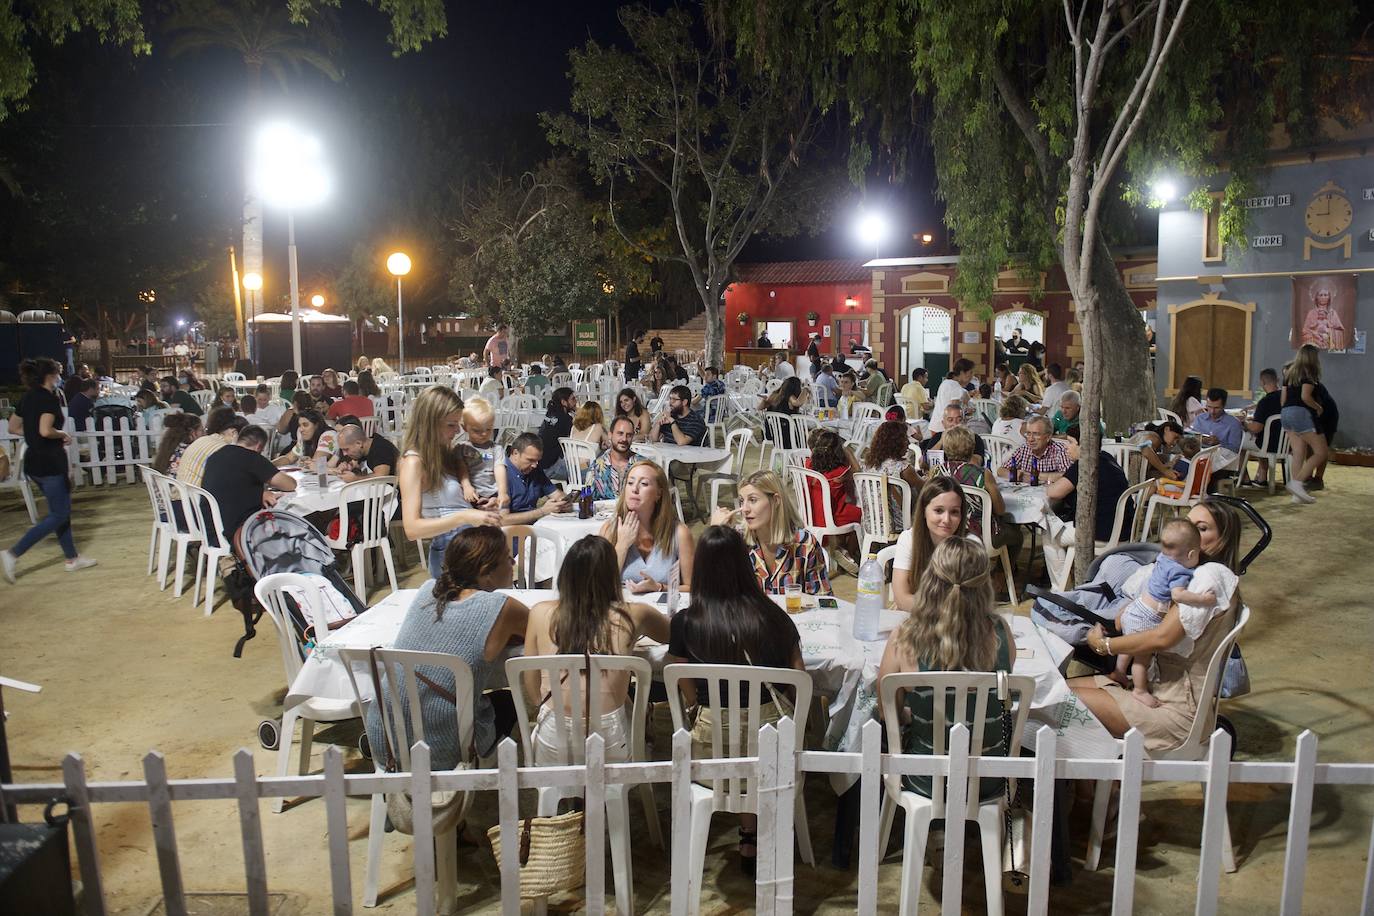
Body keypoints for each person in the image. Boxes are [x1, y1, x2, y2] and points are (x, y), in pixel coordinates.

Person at [666, 523, 802, 872]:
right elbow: (799, 681)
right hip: (769, 753)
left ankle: (744, 832)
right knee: (754, 730)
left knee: (729, 731)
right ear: (746, 565)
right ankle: (754, 831)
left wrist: (697, 703)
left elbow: (680, 677)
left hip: (711, 754)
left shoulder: (686, 622)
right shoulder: (774, 618)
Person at [1072, 499, 1243, 751]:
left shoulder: (1210, 578)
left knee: (1058, 701)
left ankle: (1091, 789)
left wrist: (1104, 645)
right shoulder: (1186, 573)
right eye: (1188, 524)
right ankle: (1093, 788)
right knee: (1054, 689)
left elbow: (1161, 638)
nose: (1191, 534)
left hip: (1174, 711)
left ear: (1224, 539)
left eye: (1202, 528)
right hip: (1152, 690)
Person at [365, 526, 530, 772]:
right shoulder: (501, 606)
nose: (513, 562)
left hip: (383, 739)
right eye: (508, 557)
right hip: (443, 745)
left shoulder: (427, 590)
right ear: (486, 573)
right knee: (509, 701)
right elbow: (536, 629)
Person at [877, 537, 1015, 800]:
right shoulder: (1000, 632)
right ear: (985, 584)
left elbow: (887, 711)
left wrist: (916, 714)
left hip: (926, 778)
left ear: (930, 580)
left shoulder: (906, 636)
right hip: (989, 778)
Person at [522, 536, 670, 763]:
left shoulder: (540, 613)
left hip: (552, 739)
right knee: (633, 707)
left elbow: (533, 694)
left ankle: (559, 794)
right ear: (612, 577)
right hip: (611, 741)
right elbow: (672, 634)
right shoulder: (633, 614)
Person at [1110, 518, 1223, 709]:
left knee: (1130, 647)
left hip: (1135, 609)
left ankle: (1119, 671)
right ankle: (1140, 690)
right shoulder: (1180, 572)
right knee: (1142, 658)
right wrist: (1204, 599)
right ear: (1191, 553)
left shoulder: (1163, 558)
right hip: (1147, 617)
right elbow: (1178, 595)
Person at [2, 358, 97, 580]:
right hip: (50, 463)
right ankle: (13, 553)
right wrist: (62, 434)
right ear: (51, 375)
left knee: (60, 512)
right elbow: (46, 430)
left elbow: (13, 427)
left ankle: (72, 558)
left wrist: (34, 434)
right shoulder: (48, 399)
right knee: (59, 513)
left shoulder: (27, 397)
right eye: (58, 374)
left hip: (34, 464)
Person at [398, 386, 502, 579]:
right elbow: (412, 529)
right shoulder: (413, 462)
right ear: (430, 423)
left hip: (468, 545)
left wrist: (480, 509)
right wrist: (464, 516)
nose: (457, 431)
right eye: (451, 425)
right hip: (450, 552)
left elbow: (452, 503)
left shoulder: (442, 453)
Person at [710, 470, 831, 595]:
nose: (744, 509)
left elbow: (823, 598)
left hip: (793, 614)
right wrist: (714, 534)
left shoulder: (804, 543)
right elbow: (713, 591)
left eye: (752, 500)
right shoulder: (737, 540)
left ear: (776, 500)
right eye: (742, 501)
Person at [1042, 435, 1133, 585]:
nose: (1067, 447)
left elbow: (1054, 492)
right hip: (1123, 529)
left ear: (1082, 445)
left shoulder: (1085, 463)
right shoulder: (1107, 458)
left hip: (1101, 533)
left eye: (1070, 443)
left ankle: (1060, 588)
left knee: (1047, 531)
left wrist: (1049, 482)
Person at [599, 461, 695, 593]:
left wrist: (659, 587)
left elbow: (692, 588)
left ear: (658, 494)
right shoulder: (610, 529)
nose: (634, 489)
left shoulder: (679, 533)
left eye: (644, 484)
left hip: (661, 612)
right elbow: (599, 585)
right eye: (630, 483)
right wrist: (622, 545)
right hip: (623, 610)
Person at [200, 425, 297, 544]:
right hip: (235, 531)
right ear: (259, 446)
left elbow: (232, 485)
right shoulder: (253, 458)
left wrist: (259, 493)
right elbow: (290, 484)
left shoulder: (216, 455)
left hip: (208, 526)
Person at [891, 476, 969, 612]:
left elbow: (972, 603)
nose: (946, 519)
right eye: (938, 510)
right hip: (918, 617)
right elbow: (902, 598)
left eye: (954, 512)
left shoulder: (970, 544)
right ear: (924, 511)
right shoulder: (909, 539)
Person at [942, 426, 1021, 556]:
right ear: (972, 448)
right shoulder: (982, 474)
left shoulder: (937, 471)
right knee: (1016, 535)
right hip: (980, 534)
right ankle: (1002, 574)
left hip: (948, 529)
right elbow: (1000, 509)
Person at [803, 429, 862, 571]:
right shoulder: (841, 471)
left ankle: (841, 549)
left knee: (851, 510)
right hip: (832, 516)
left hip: (810, 515)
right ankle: (848, 550)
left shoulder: (808, 465)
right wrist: (847, 451)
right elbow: (858, 471)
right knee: (862, 514)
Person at [1280, 344, 1327, 504]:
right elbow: (1306, 396)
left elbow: (1283, 400)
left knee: (1298, 452)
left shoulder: (1289, 373)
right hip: (1301, 413)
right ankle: (1297, 483)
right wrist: (1318, 407)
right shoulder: (1309, 372)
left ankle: (1296, 495)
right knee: (1321, 452)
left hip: (1285, 413)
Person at [496, 432, 570, 524]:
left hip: (532, 526)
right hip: (511, 531)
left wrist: (563, 502)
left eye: (537, 461)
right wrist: (542, 511)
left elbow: (556, 494)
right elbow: (502, 520)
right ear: (515, 453)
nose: (534, 465)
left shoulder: (534, 470)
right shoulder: (501, 474)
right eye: (530, 460)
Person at [864, 419, 925, 515]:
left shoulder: (870, 465)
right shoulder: (903, 468)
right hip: (898, 523)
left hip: (872, 522)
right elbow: (926, 487)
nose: (909, 443)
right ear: (896, 443)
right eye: (905, 438)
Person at [177, 409, 247, 488]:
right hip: (198, 497)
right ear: (234, 433)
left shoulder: (203, 440)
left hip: (182, 493)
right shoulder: (224, 449)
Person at [454, 397, 500, 509]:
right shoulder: (462, 448)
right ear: (465, 428)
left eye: (488, 429)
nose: (484, 434)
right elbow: (461, 468)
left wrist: (501, 492)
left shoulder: (496, 448)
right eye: (477, 430)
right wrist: (466, 486)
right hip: (471, 492)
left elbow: (499, 470)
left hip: (493, 492)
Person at [999, 416, 1070, 483]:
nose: (1030, 439)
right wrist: (1015, 475)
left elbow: (1068, 476)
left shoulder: (1060, 451)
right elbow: (1001, 470)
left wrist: (1034, 476)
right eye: (1028, 434)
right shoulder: (1024, 448)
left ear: (1048, 437)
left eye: (1036, 434)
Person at [1191, 388, 1244, 475]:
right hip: (1199, 453)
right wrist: (1199, 439)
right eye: (1209, 407)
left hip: (1221, 458)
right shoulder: (1200, 419)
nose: (1212, 411)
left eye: (1216, 408)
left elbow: (1235, 450)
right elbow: (1191, 437)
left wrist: (1219, 443)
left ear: (1223, 406)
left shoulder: (1233, 423)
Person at [1244, 368, 1281, 484]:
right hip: (1285, 443)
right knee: (1262, 438)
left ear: (1262, 383)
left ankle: (1245, 479)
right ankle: (1262, 476)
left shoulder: (1265, 402)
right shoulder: (1286, 398)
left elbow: (1256, 428)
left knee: (1240, 444)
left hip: (1269, 444)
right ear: (1277, 380)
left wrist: (1244, 424)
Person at [921, 403, 987, 466]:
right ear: (943, 423)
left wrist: (963, 443)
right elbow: (923, 463)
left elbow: (976, 464)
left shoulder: (974, 438)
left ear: (965, 422)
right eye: (950, 420)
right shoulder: (938, 437)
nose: (955, 424)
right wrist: (941, 442)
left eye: (959, 420)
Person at [588, 416, 637, 499]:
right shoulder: (596, 467)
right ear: (610, 435)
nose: (624, 439)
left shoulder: (642, 464)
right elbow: (589, 500)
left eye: (629, 435)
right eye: (620, 433)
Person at [333, 424, 399, 481]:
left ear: (358, 443)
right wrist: (348, 466)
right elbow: (355, 462)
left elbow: (381, 477)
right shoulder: (365, 447)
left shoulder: (380, 448)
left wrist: (356, 479)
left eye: (346, 449)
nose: (344, 454)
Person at [538, 387, 577, 478]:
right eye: (573, 399)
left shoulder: (550, 414)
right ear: (563, 402)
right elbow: (575, 439)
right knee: (589, 473)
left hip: (540, 465)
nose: (575, 401)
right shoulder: (566, 419)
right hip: (552, 467)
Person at [760, 377, 809, 449]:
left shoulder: (774, 394)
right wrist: (805, 389)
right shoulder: (790, 396)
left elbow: (759, 408)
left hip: (773, 433)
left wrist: (765, 401)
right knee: (807, 433)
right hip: (786, 435)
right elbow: (797, 403)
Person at [929, 359, 974, 433]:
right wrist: (965, 412)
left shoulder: (946, 382)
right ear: (962, 373)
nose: (972, 376)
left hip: (935, 425)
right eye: (970, 373)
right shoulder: (956, 387)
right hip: (943, 429)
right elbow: (954, 411)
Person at [1299, 285, 1348, 349]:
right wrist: (1315, 334)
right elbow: (1305, 331)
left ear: (1329, 297)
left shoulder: (1332, 313)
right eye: (1321, 295)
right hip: (1314, 343)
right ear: (1316, 297)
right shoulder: (1311, 313)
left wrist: (1329, 332)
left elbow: (1340, 332)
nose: (1323, 297)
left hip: (1328, 342)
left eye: (1325, 295)